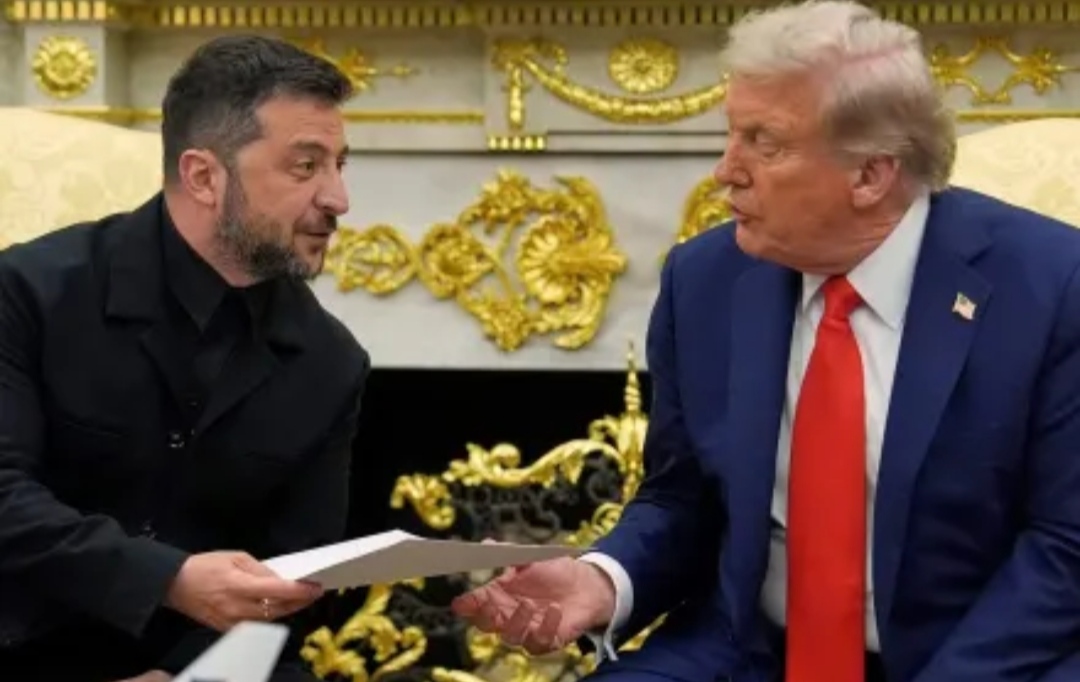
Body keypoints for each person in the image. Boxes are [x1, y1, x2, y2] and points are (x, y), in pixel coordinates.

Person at [451, 2, 1080, 681]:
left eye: (766, 144)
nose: (726, 170)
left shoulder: (1050, 286)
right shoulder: (708, 279)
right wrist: (604, 580)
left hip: (975, 657)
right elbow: (681, 499)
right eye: (731, 135)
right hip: (748, 651)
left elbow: (1064, 548)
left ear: (871, 174)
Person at [0, 35, 370, 681]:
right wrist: (166, 579)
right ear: (204, 176)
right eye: (305, 167)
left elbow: (294, 577)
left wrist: (180, 678)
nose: (338, 199)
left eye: (340, 164)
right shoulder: (29, 293)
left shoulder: (331, 361)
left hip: (202, 668)